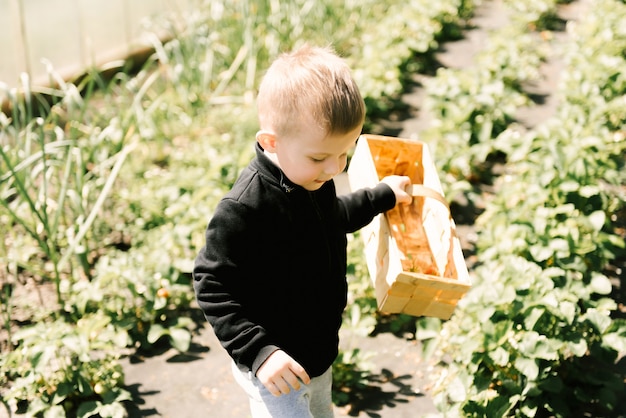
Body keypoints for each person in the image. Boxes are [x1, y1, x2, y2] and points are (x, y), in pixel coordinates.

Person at [193, 44, 411, 418]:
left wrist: (380, 196)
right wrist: (259, 351)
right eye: (319, 157)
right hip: (275, 366)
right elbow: (212, 282)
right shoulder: (245, 209)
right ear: (270, 142)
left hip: (317, 352)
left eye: (344, 153)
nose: (333, 169)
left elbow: (333, 218)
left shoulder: (310, 179)